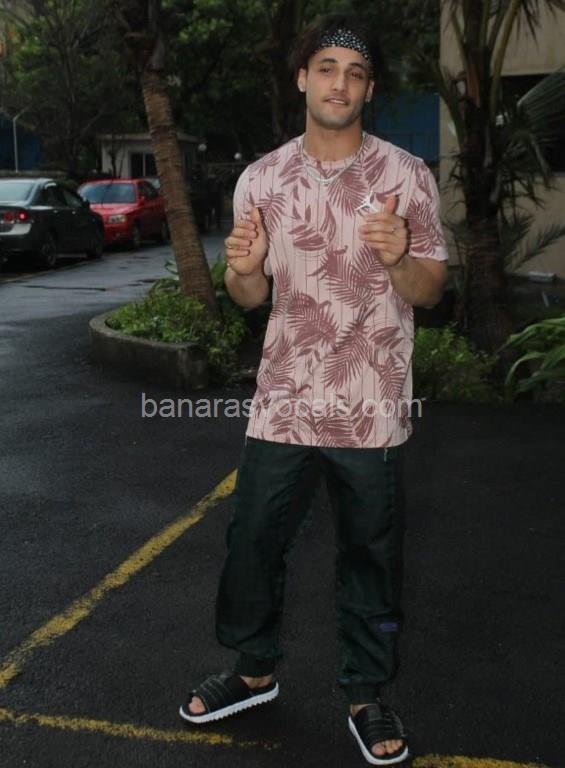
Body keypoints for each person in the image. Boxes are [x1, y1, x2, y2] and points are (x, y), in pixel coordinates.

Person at [179, 11, 448, 766]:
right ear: (303, 78)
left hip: (371, 406)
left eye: (355, 74)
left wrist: (400, 258)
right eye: (326, 69)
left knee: (370, 553)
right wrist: (241, 268)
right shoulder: (261, 179)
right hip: (284, 399)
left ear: (369, 90)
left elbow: (429, 290)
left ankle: (365, 692)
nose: (340, 84)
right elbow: (248, 295)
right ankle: (252, 671)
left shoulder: (406, 176)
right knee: (252, 540)